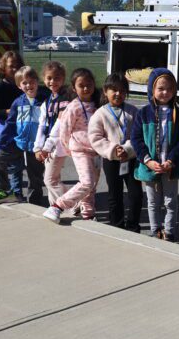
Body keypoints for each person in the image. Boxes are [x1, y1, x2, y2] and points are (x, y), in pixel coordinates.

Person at [131, 68, 179, 241]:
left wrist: (172, 160)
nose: (165, 92)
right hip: (151, 167)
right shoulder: (143, 113)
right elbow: (136, 138)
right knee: (153, 202)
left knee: (170, 202)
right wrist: (147, 161)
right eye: (161, 89)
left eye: (169, 89)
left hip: (170, 167)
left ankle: (169, 232)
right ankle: (155, 231)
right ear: (151, 89)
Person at [42, 68, 102, 223]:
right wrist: (69, 148)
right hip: (80, 150)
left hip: (96, 150)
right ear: (74, 88)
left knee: (92, 185)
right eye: (81, 85)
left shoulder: (97, 104)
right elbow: (64, 130)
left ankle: (88, 213)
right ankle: (57, 206)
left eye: (89, 84)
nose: (86, 88)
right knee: (86, 182)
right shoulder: (73, 106)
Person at [87, 73, 141, 232]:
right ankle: (117, 225)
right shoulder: (100, 114)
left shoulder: (133, 112)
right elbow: (95, 137)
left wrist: (127, 149)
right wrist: (113, 149)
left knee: (136, 194)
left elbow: (139, 135)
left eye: (122, 90)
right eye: (114, 90)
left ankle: (133, 225)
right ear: (105, 91)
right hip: (111, 160)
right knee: (114, 195)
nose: (118, 94)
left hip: (131, 159)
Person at [32, 61, 72, 206]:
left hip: (59, 144)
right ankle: (53, 206)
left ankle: (72, 204)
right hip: (49, 145)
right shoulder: (48, 100)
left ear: (63, 79)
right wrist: (37, 147)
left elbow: (60, 124)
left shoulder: (65, 97)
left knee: (49, 180)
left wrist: (47, 146)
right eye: (49, 78)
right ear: (44, 79)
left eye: (57, 78)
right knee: (54, 178)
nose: (52, 81)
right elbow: (42, 125)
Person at [6, 66, 47, 205]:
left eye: (32, 81)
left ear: (37, 81)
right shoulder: (18, 102)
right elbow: (11, 122)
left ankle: (35, 200)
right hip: (20, 142)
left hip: (36, 145)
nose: (29, 85)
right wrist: (4, 140)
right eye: (24, 83)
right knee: (14, 168)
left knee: (35, 173)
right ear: (19, 85)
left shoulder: (44, 100)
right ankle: (15, 192)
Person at [0, 51, 25, 195]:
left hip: (20, 128)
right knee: (3, 161)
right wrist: (9, 111)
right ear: (4, 67)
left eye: (17, 66)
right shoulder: (0, 86)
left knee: (17, 161)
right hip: (5, 128)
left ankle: (17, 192)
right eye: (11, 66)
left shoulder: (22, 85)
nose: (14, 69)